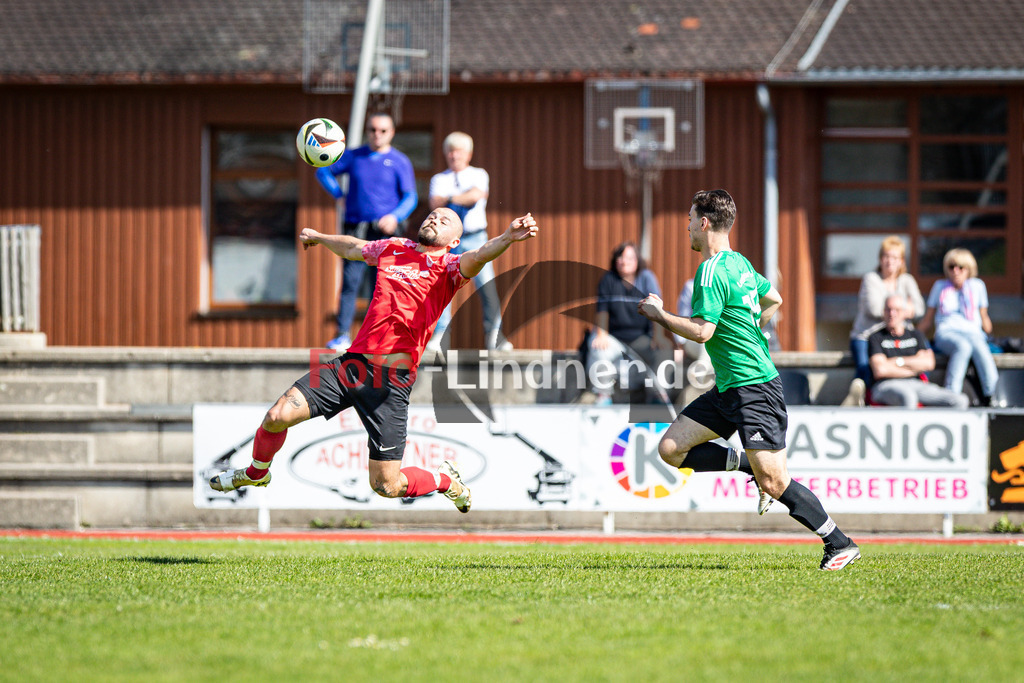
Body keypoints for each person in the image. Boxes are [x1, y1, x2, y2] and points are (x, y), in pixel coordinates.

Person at [209, 208, 540, 512]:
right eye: (433, 215)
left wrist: (507, 237)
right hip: (351, 366)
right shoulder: (394, 247)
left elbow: (480, 255)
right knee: (276, 416)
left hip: (391, 382)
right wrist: (320, 238)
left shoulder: (450, 267)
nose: (435, 219)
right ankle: (256, 473)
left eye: (445, 220)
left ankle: (444, 481)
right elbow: (354, 248)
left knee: (386, 485)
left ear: (454, 241)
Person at [638, 189, 859, 571]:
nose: (687, 227)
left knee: (775, 482)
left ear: (704, 222)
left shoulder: (710, 270)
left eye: (690, 220)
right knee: (671, 448)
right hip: (729, 387)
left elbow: (703, 332)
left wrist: (660, 315)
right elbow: (774, 300)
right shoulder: (739, 263)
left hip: (754, 387)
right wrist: (752, 330)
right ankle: (744, 464)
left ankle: (839, 543)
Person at [316, 113, 418, 352]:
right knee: (350, 283)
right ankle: (342, 335)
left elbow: (410, 197)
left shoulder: (400, 161)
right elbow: (322, 172)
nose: (377, 135)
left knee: (381, 287)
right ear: (367, 131)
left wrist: (395, 216)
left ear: (392, 133)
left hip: (384, 235)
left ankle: (377, 338)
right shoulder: (354, 156)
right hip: (356, 231)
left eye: (383, 130)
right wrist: (338, 195)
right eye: (373, 130)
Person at [425, 132, 511, 352]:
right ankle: (440, 337)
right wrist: (461, 197)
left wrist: (450, 199)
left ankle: (495, 337)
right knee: (443, 287)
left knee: (487, 286)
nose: (454, 156)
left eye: (458, 151)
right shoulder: (439, 179)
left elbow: (476, 195)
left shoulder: (478, 174)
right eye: (450, 151)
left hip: (476, 238)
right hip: (447, 242)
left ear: (469, 154)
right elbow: (435, 204)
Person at [844, 236, 925, 406]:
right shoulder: (871, 279)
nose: (890, 261)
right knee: (866, 368)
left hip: (899, 336)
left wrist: (893, 310)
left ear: (901, 261)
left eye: (894, 257)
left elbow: (919, 308)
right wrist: (903, 309)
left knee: (924, 355)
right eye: (886, 256)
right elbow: (874, 308)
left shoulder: (907, 280)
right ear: (880, 259)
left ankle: (921, 393)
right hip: (868, 335)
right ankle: (863, 399)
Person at [585, 241, 669, 405]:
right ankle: (603, 395)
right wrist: (601, 334)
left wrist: (658, 336)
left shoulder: (646, 278)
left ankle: (659, 397)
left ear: (637, 261)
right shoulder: (608, 280)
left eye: (630, 258)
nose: (624, 262)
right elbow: (602, 310)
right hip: (615, 338)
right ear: (615, 260)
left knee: (663, 350)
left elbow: (657, 309)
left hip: (641, 338)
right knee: (596, 344)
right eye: (621, 257)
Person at [918, 248, 998, 406]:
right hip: (947, 333)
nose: (956, 271)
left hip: (973, 333)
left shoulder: (977, 286)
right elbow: (928, 320)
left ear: (969, 269)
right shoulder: (940, 287)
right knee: (963, 347)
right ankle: (952, 395)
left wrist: (987, 328)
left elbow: (984, 319)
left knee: (980, 348)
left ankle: (991, 395)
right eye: (951, 267)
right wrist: (914, 336)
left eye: (961, 267)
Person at [867, 294, 969, 409]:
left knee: (959, 400)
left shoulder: (915, 334)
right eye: (888, 309)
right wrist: (914, 368)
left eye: (896, 310)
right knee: (908, 397)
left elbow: (929, 363)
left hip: (916, 384)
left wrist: (896, 362)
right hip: (885, 385)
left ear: (905, 312)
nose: (892, 313)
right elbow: (880, 370)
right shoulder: (876, 337)